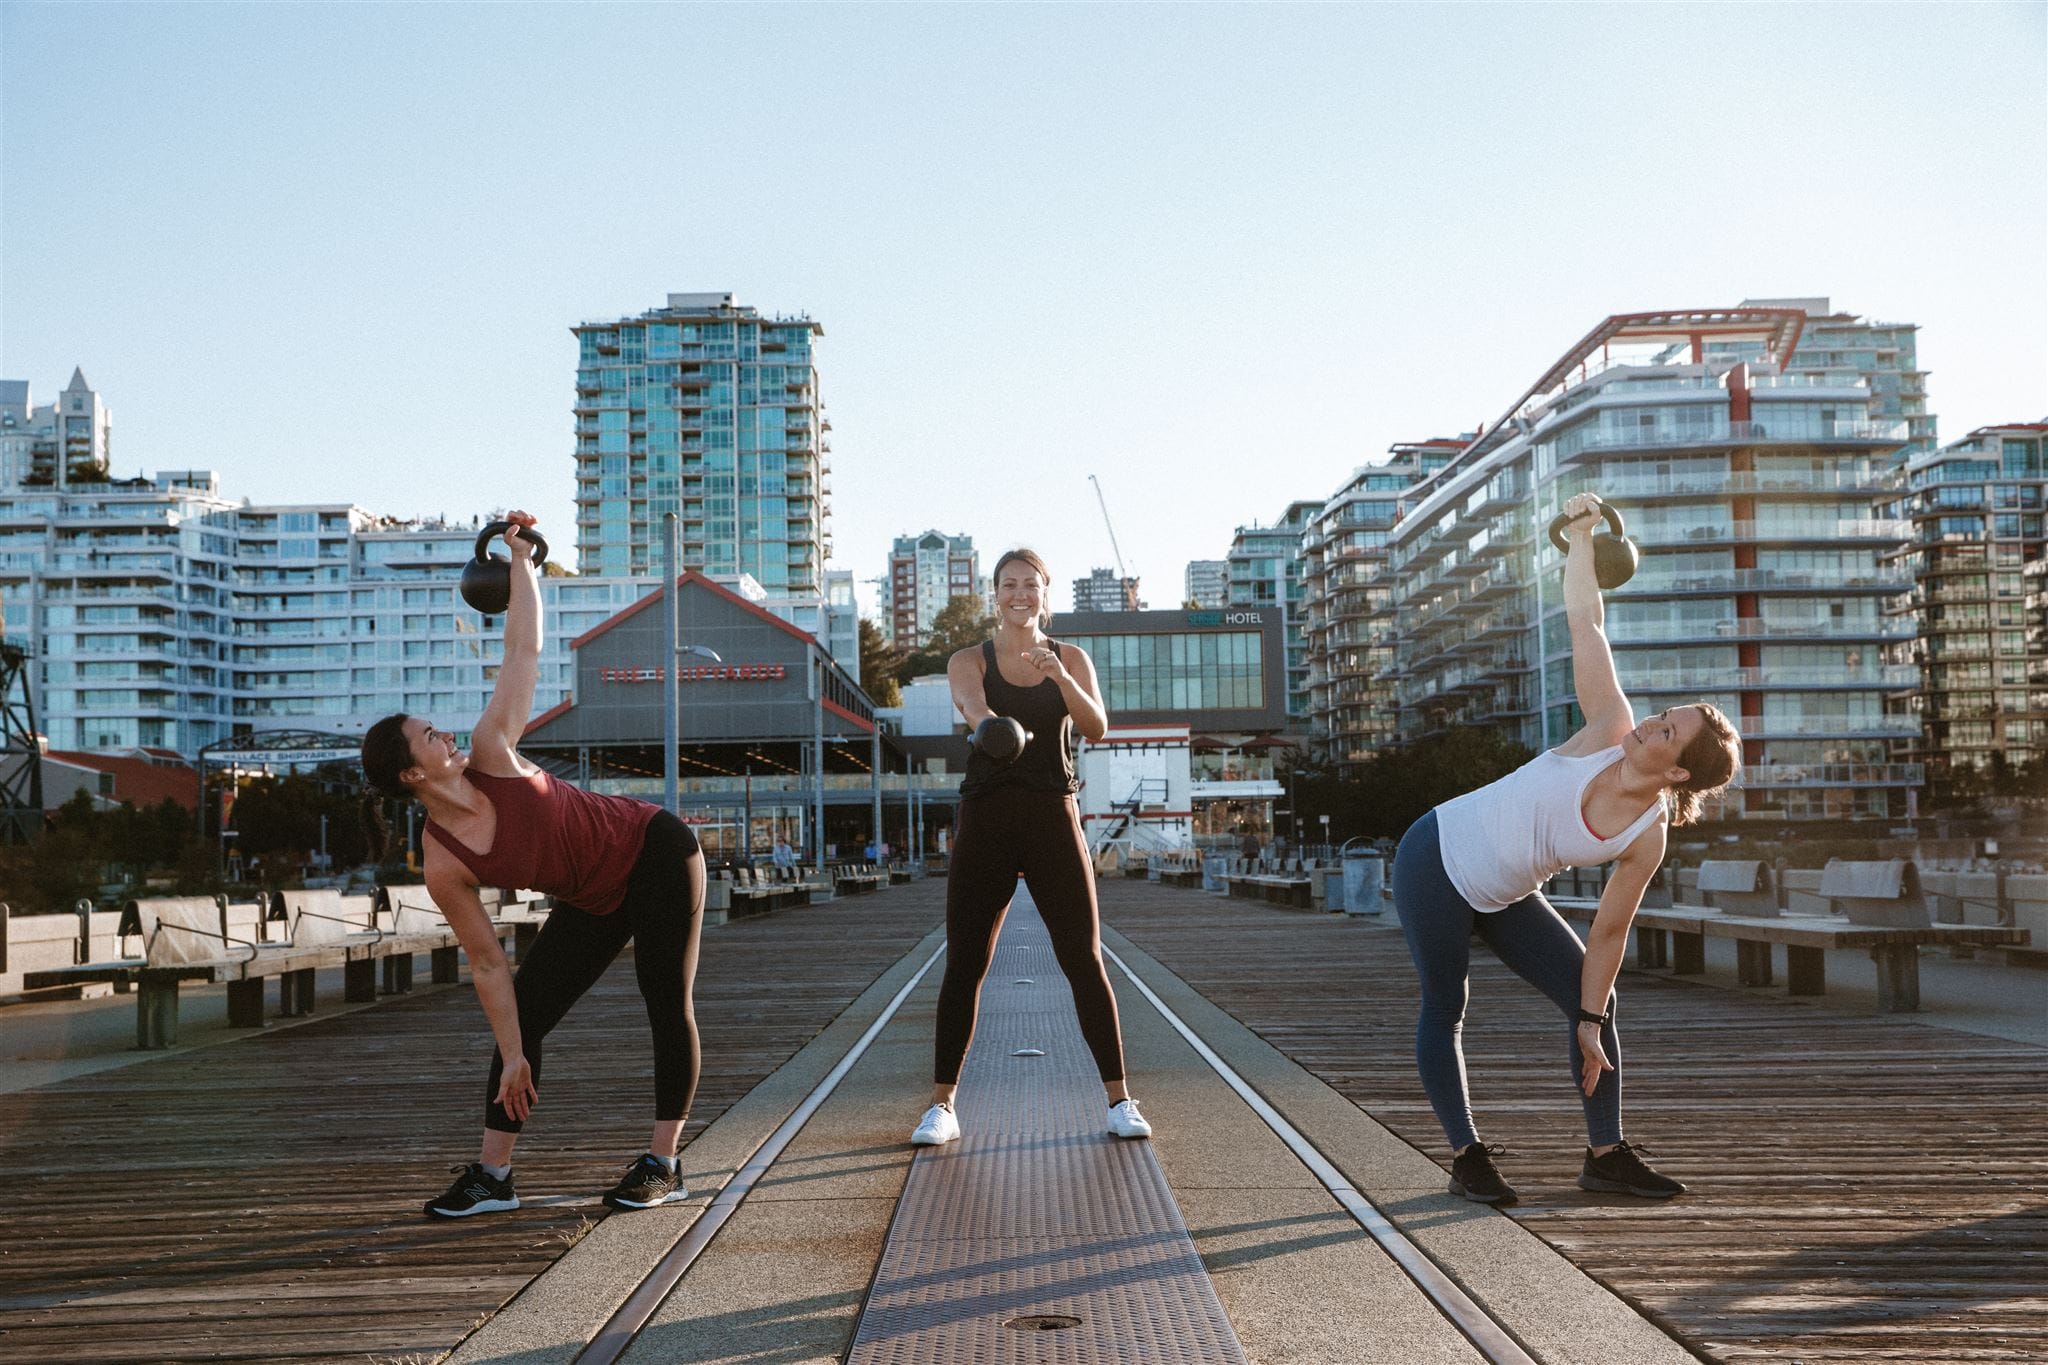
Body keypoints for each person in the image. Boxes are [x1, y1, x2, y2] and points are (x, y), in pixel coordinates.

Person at [1393, 490, 1740, 1205]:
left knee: (1595, 1000)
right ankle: (1468, 1155)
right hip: (1436, 857)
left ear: (1677, 773)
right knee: (1445, 1003)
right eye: (1663, 716)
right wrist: (1581, 535)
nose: (1650, 725)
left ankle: (1605, 1153)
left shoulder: (1648, 836)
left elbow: (1609, 929)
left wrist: (1587, 1019)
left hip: (1508, 892)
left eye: (1666, 734)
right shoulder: (1607, 726)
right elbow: (1588, 621)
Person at [358, 513, 707, 1219]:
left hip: (658, 852)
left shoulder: (491, 748)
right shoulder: (442, 860)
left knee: (664, 998)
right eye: (428, 735)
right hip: (591, 893)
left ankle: (665, 1161)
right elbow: (488, 966)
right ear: (408, 776)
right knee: (523, 1014)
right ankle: (494, 1175)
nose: (444, 731)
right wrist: (514, 1052)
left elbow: (524, 648)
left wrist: (522, 562)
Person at [910, 547, 1151, 1146]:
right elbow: (974, 708)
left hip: (1052, 816)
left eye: (1030, 585)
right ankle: (942, 1106)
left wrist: (1059, 676)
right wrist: (992, 725)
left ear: (1046, 594)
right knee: (965, 960)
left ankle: (1120, 1100)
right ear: (994, 594)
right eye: (1009, 585)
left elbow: (1096, 727)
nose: (1020, 594)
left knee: (1083, 959)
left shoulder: (1071, 657)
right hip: (988, 817)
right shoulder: (969, 658)